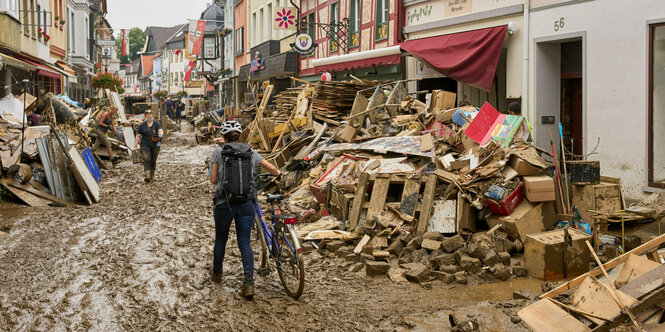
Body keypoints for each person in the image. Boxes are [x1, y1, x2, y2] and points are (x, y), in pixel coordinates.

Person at [209, 121, 280, 300]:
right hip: (247, 204)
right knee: (244, 243)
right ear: (240, 135)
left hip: (224, 204)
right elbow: (272, 169)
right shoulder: (251, 152)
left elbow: (212, 179)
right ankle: (249, 283)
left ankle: (217, 274)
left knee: (221, 240)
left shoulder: (218, 152)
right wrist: (278, 174)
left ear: (224, 137)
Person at [133, 110, 163, 182]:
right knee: (147, 159)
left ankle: (152, 175)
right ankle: (147, 175)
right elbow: (138, 136)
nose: (149, 115)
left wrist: (161, 135)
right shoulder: (142, 125)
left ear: (152, 115)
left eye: (150, 114)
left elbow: (160, 130)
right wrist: (135, 146)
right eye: (147, 114)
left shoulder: (156, 124)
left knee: (153, 160)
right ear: (145, 116)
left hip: (155, 145)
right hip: (145, 145)